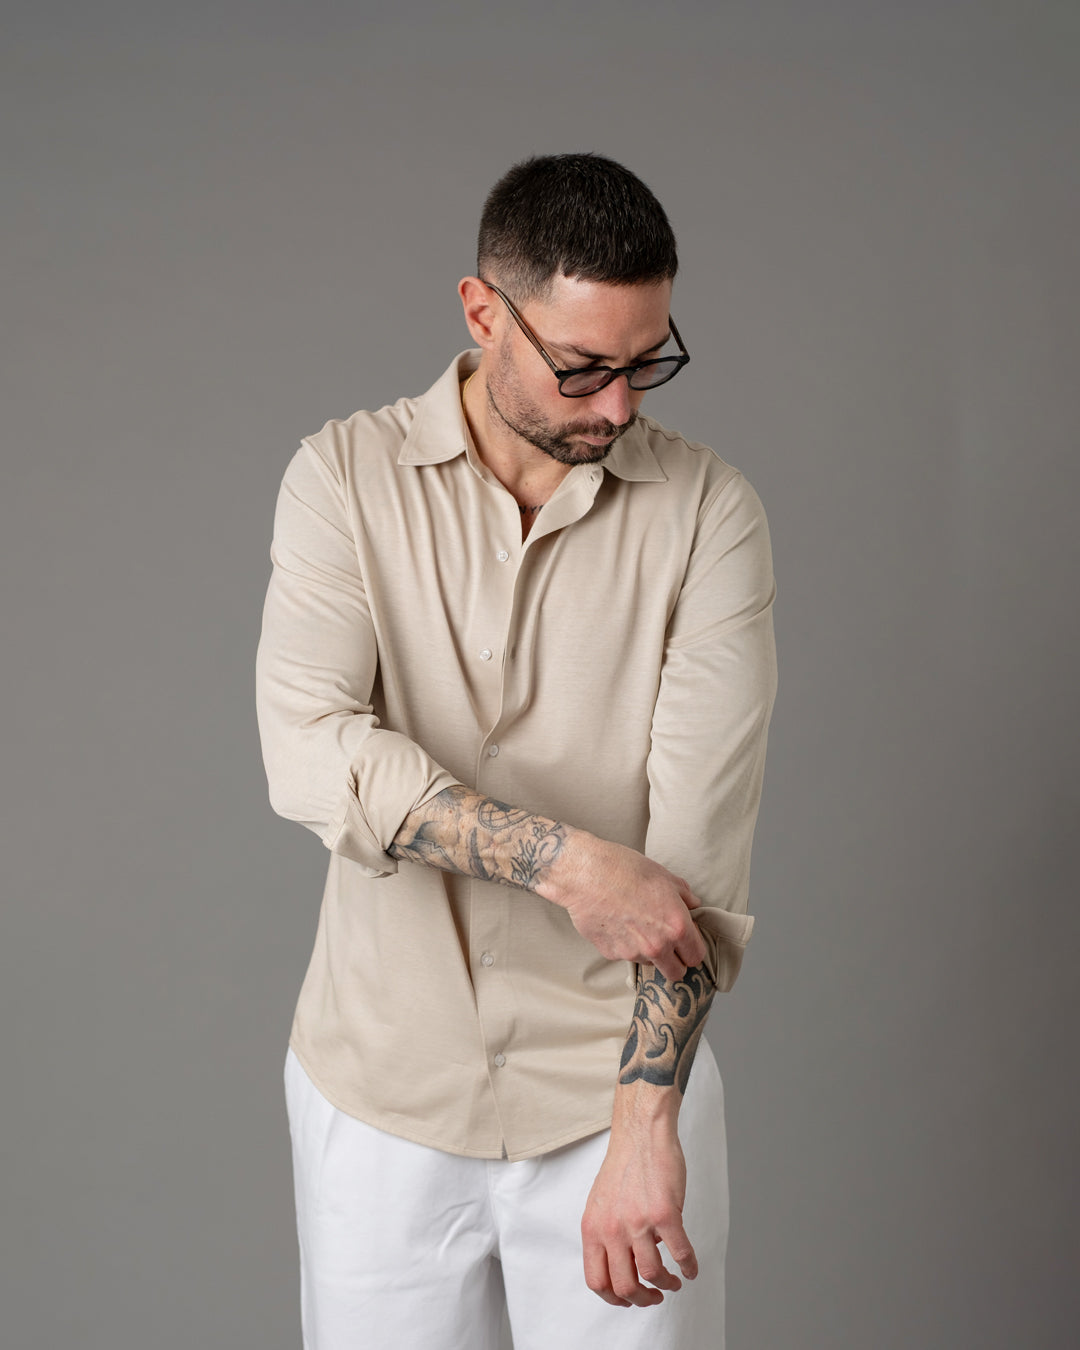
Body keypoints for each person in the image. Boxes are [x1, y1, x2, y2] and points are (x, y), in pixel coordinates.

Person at [256, 152, 777, 1350]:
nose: (620, 406)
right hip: (378, 1093)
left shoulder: (710, 514)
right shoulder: (342, 478)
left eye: (646, 362)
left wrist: (647, 1128)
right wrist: (566, 862)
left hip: (614, 1096)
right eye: (583, 367)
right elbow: (310, 748)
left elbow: (698, 854)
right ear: (484, 313)